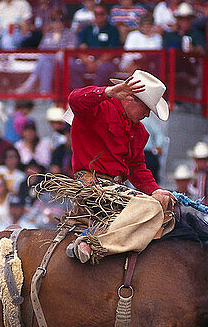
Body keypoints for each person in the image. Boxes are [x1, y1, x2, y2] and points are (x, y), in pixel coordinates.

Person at [64, 71, 174, 264]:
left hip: (116, 189)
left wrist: (157, 190)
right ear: (131, 99)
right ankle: (94, 241)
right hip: (92, 184)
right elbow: (74, 99)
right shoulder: (99, 108)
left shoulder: (140, 132)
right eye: (147, 108)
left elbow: (137, 167)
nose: (148, 114)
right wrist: (108, 92)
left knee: (167, 215)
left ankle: (97, 241)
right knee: (149, 208)